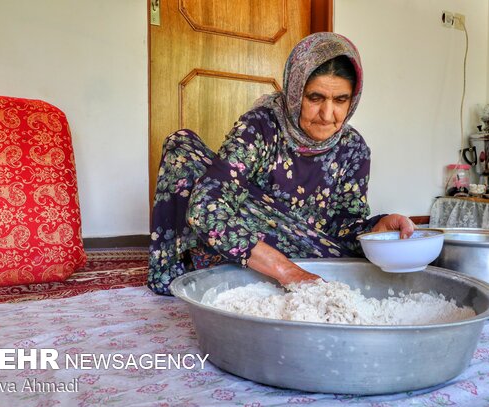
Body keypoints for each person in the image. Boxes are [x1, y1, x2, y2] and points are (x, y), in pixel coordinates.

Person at [148, 32, 414, 295]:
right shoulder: (260, 127)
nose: (327, 114)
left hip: (311, 251)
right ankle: (224, 269)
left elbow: (343, 229)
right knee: (181, 146)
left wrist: (376, 227)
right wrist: (285, 270)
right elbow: (206, 210)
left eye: (340, 100)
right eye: (315, 98)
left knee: (357, 258)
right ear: (296, 91)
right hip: (254, 248)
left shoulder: (354, 149)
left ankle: (262, 272)